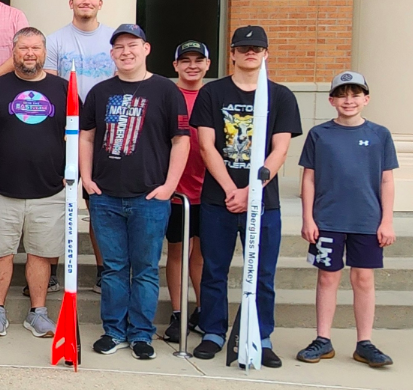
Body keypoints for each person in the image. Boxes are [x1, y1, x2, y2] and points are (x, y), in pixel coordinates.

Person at [190, 26, 302, 367]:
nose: (250, 53)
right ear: (233, 54)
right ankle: (212, 332)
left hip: (264, 204)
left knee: (263, 273)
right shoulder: (213, 94)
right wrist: (230, 190)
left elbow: (280, 150)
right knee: (214, 270)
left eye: (257, 48)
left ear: (266, 54)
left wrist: (251, 192)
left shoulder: (280, 96)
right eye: (243, 47)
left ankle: (260, 336)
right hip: (218, 200)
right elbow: (207, 146)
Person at [79, 24, 189, 360]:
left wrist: (169, 186)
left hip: (149, 198)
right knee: (113, 268)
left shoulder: (167, 92)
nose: (126, 52)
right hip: (106, 196)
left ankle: (142, 334)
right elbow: (86, 136)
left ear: (146, 49)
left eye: (132, 45)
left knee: (143, 268)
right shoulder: (100, 92)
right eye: (119, 47)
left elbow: (181, 140)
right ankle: (113, 331)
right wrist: (87, 179)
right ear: (111, 54)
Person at [296, 71, 397, 368]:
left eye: (355, 94)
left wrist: (386, 220)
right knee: (327, 278)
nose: (348, 100)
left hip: (366, 220)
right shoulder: (319, 134)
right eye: (342, 94)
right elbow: (309, 179)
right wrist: (308, 218)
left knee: (363, 279)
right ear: (331, 100)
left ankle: (364, 342)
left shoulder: (380, 135)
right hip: (327, 219)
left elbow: (387, 181)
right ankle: (323, 340)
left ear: (366, 99)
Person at [0, 28, 68, 340]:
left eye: (36, 48)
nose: (30, 53)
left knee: (41, 253)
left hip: (49, 189)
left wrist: (72, 178)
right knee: (0, 251)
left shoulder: (63, 89)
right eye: (23, 48)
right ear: (13, 52)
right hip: (1, 187)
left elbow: (79, 136)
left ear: (44, 52)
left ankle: (38, 313)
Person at [43, 0, 116, 292]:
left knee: (99, 203)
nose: (86, 1)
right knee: (60, 203)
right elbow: (50, 88)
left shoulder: (115, 39)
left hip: (105, 134)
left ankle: (104, 270)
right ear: (70, 2)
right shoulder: (56, 40)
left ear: (100, 2)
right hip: (67, 134)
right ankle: (53, 268)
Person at [162, 41, 210, 344]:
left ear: (207, 64)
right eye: (186, 60)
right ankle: (178, 312)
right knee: (177, 251)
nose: (192, 66)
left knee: (202, 255)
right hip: (177, 190)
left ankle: (204, 311)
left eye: (198, 60)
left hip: (210, 188)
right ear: (176, 65)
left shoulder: (214, 96)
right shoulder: (168, 95)